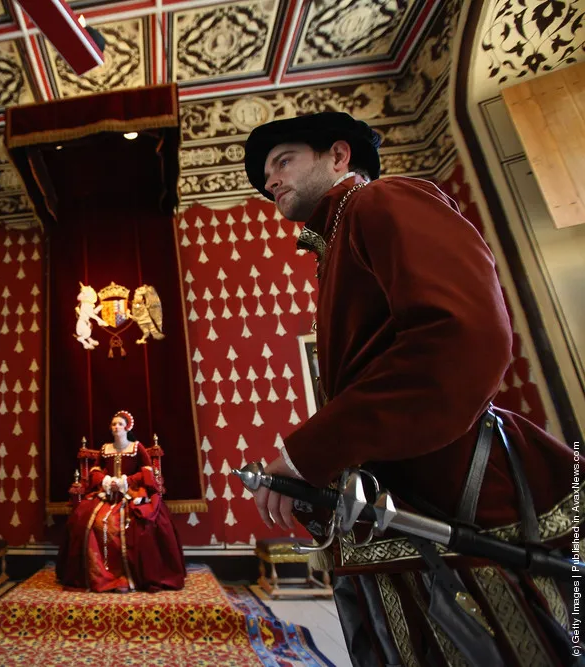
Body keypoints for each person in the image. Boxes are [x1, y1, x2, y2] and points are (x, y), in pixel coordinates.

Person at [242, 111, 578, 666]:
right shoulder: (335, 242)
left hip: (458, 500)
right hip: (405, 514)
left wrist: (309, 453)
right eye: (266, 177)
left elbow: (460, 337)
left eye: (283, 162)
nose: (271, 180)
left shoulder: (383, 202)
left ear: (340, 156)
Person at [56, 410, 186, 592]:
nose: (116, 427)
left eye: (119, 424)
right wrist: (106, 480)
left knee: (138, 525)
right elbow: (94, 472)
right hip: (107, 493)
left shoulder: (136, 447)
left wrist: (126, 481)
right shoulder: (105, 449)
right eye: (113, 424)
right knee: (86, 520)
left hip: (131, 492)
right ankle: (102, 574)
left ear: (127, 427)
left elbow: (147, 472)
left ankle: (130, 576)